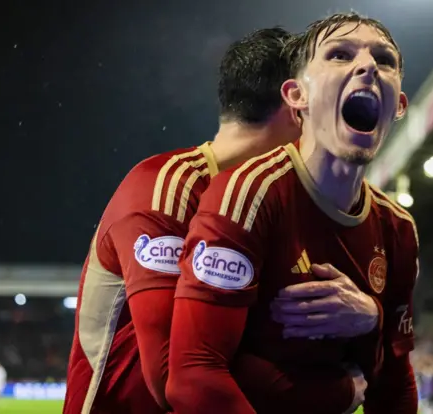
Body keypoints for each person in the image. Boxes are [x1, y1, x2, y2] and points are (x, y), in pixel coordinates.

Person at [64, 27, 376, 414]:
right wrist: (335, 393)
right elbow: (176, 374)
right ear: (295, 107)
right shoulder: (166, 190)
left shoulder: (281, 205)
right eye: (328, 101)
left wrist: (369, 315)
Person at [167, 12, 418, 414]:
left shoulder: (399, 228)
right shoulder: (247, 193)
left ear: (399, 105)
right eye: (339, 54)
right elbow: (194, 376)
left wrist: (372, 320)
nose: (368, 66)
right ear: (296, 95)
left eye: (384, 60)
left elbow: (395, 382)